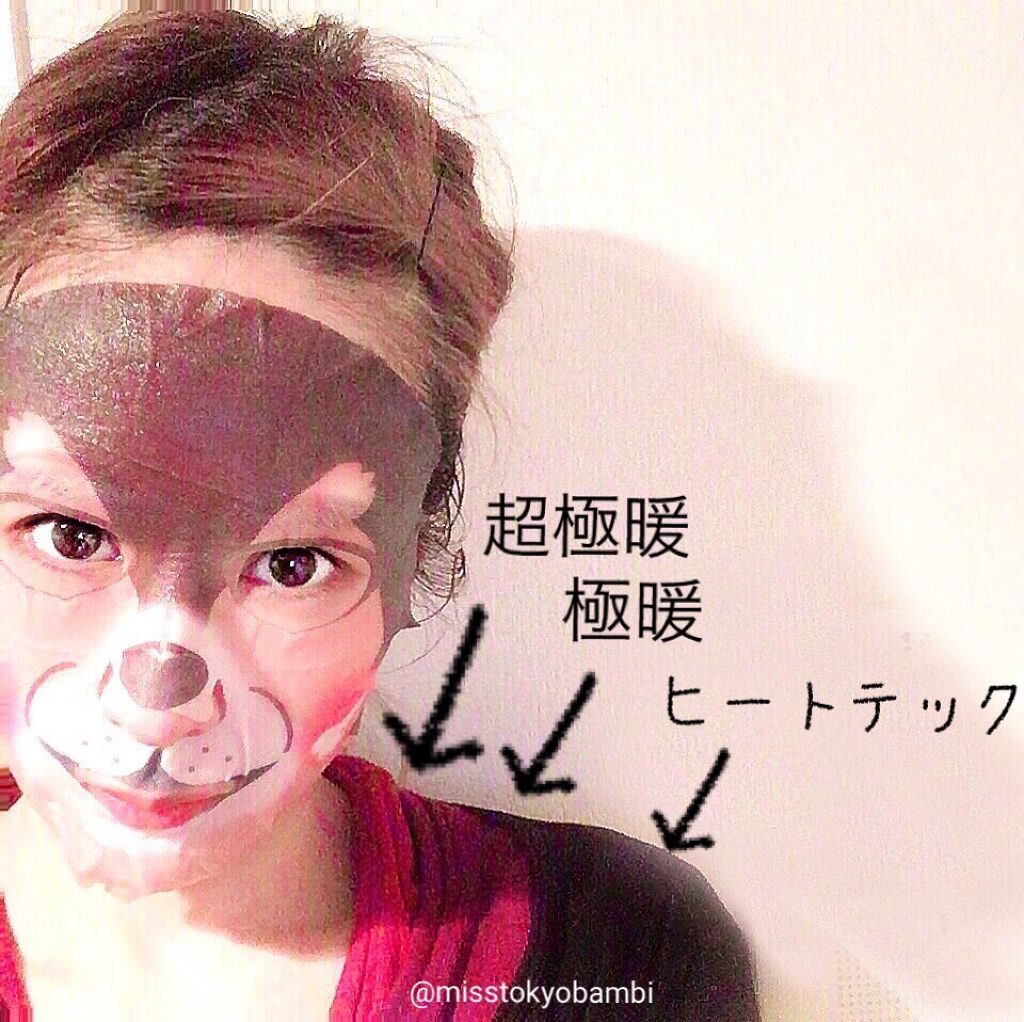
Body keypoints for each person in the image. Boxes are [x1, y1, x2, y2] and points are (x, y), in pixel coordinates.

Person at [0, 10, 758, 1020]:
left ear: (416, 558)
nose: (157, 702)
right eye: (71, 536)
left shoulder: (624, 951)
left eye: (293, 562)